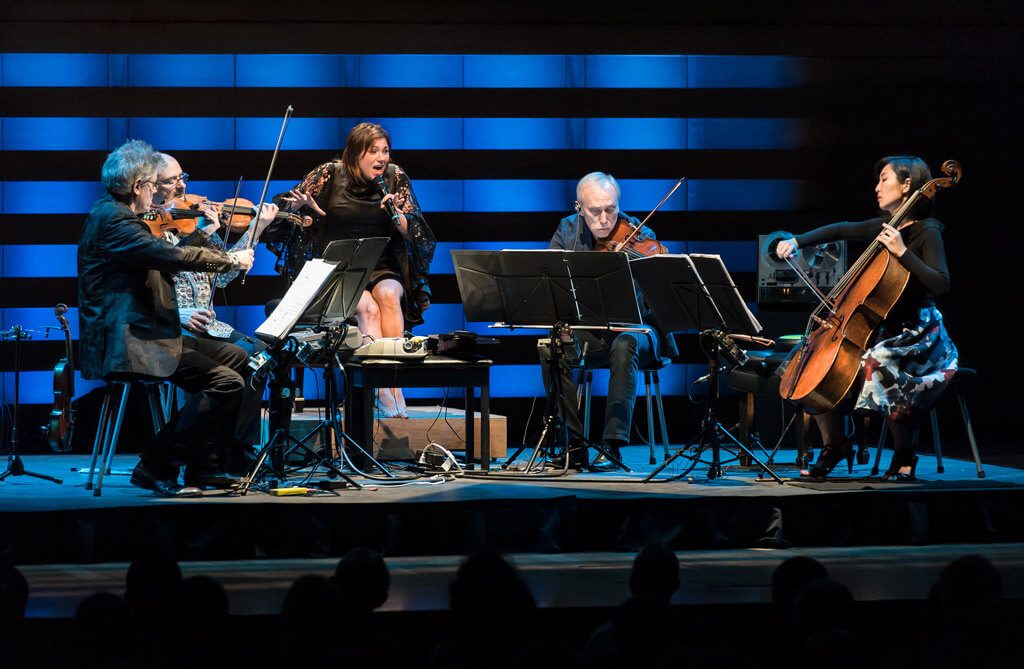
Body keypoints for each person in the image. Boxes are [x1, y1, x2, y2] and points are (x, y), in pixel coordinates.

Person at [78, 139, 255, 497]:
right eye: (152, 185)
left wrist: (207, 236)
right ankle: (156, 463)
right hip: (127, 341)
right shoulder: (114, 223)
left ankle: (206, 466)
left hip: (147, 330)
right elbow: (170, 257)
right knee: (226, 382)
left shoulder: (120, 216)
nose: (156, 194)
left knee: (240, 357)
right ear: (139, 186)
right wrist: (230, 260)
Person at [775, 155, 958, 481]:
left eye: (884, 179)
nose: (877, 187)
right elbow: (842, 229)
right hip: (882, 328)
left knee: (878, 360)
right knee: (805, 358)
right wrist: (796, 241)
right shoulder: (882, 227)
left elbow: (941, 284)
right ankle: (835, 444)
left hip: (919, 333)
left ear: (906, 185)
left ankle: (904, 454)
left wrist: (903, 252)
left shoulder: (926, 231)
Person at [267, 122, 436, 418]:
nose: (381, 158)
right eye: (374, 151)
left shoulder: (396, 178)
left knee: (389, 294)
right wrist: (307, 209)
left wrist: (396, 216)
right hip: (337, 270)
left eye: (385, 151)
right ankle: (378, 389)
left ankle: (395, 384)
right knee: (367, 308)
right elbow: (285, 211)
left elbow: (416, 235)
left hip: (380, 266)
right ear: (356, 153)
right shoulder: (330, 173)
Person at [541, 172, 677, 469]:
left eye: (611, 209)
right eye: (595, 211)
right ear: (579, 207)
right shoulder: (566, 232)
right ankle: (574, 444)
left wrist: (629, 271)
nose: (605, 219)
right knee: (550, 348)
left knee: (625, 342)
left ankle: (612, 444)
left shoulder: (642, 237)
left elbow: (655, 302)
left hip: (640, 331)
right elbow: (551, 283)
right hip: (591, 332)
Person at [152, 153, 275, 472]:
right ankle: (206, 450)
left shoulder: (200, 222)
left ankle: (238, 447)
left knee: (261, 354)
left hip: (209, 326)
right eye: (171, 180)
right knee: (237, 358)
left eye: (183, 177)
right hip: (173, 326)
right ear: (150, 186)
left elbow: (223, 276)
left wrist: (255, 230)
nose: (181, 186)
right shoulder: (150, 232)